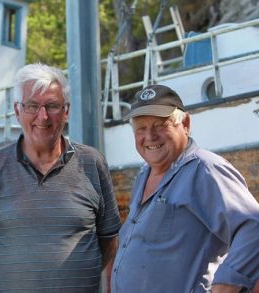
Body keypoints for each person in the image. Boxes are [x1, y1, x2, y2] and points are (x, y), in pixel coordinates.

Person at [0, 63, 122, 292]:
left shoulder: (92, 163)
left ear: (66, 111)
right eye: (32, 105)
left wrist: (77, 276)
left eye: (52, 105)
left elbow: (109, 239)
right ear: (17, 111)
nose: (43, 116)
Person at [111, 84, 259, 292]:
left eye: (160, 125)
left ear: (185, 123)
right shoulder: (144, 174)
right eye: (141, 128)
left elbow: (253, 226)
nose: (150, 136)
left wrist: (228, 283)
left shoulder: (205, 169)